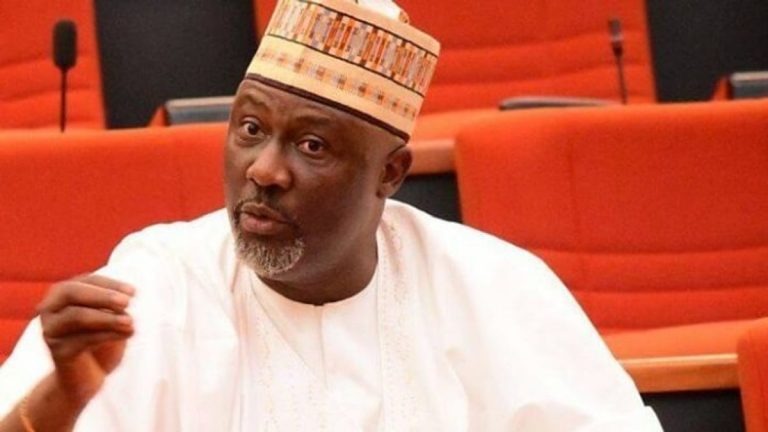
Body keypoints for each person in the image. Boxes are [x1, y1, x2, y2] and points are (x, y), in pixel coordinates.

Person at [0, 0, 662, 430]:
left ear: (390, 174)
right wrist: (59, 402)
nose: (265, 170)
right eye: (250, 129)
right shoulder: (157, 285)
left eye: (312, 145)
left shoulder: (494, 288)